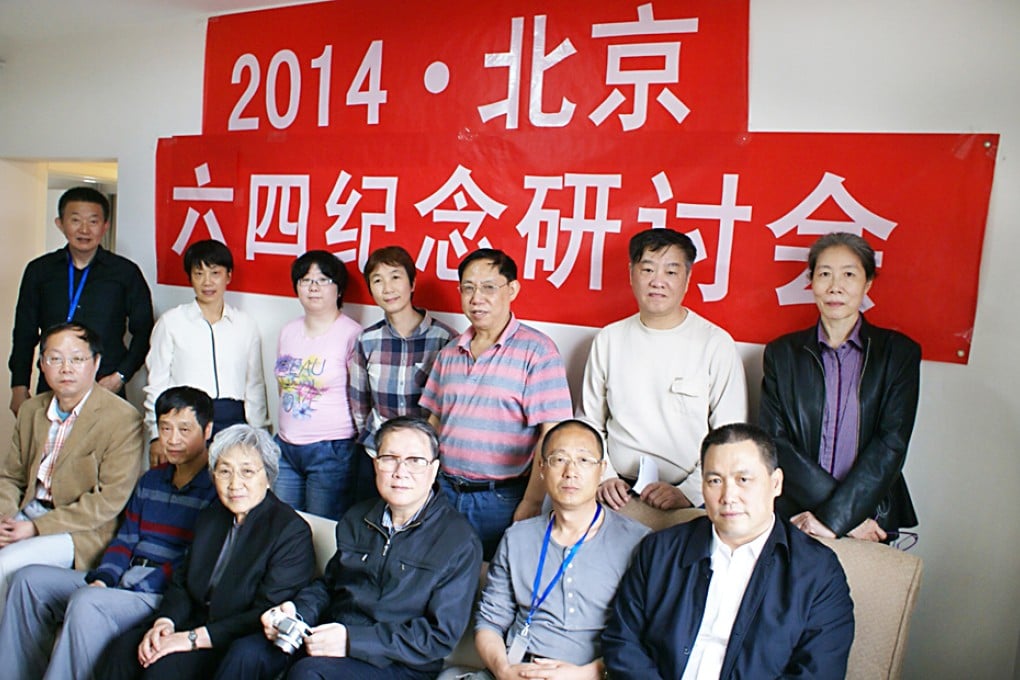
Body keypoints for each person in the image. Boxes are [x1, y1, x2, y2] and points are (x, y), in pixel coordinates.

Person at [216, 416, 483, 680]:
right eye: (389, 458)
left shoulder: (459, 541)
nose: (400, 471)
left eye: (415, 461)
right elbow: (329, 585)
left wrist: (352, 641)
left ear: (433, 469)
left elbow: (439, 637)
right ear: (376, 463)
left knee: (309, 673)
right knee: (247, 652)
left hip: (400, 663)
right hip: (332, 636)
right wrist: (296, 612)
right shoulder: (357, 517)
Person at [602, 423, 854, 679]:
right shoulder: (660, 550)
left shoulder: (818, 572)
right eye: (715, 480)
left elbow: (819, 672)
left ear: (776, 483)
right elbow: (622, 641)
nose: (728, 495)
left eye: (743, 479)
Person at [0, 386, 219, 680]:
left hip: (159, 591)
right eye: (165, 428)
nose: (173, 439)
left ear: (207, 431)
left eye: (184, 429)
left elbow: (193, 561)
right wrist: (105, 579)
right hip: (122, 577)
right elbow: (125, 538)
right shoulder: (151, 481)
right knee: (28, 580)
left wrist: (131, 586)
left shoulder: (217, 489)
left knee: (86, 603)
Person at [97, 424, 316, 679]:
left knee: (163, 670)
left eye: (247, 472)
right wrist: (165, 622)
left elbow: (266, 611)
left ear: (268, 477)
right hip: (192, 621)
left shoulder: (290, 531)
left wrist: (191, 639)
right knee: (123, 649)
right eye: (225, 471)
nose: (235, 484)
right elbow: (181, 582)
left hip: (234, 638)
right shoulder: (212, 516)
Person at [759, 232, 921, 541]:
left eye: (849, 274)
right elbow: (775, 441)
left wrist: (840, 517)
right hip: (798, 514)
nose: (836, 286)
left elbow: (892, 443)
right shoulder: (782, 354)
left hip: (870, 519)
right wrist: (841, 517)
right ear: (812, 282)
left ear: (868, 283)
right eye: (824, 274)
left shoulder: (898, 353)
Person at [580, 228, 747, 513]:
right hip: (617, 491)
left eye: (671, 272)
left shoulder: (715, 344)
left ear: (687, 279)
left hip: (687, 497)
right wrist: (604, 477)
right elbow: (589, 421)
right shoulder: (609, 339)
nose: (658, 282)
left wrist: (688, 492)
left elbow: (730, 435)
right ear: (632, 273)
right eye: (647, 269)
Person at [420, 248, 573, 558]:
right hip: (443, 491)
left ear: (512, 289)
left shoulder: (538, 351)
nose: (477, 298)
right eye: (468, 288)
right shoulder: (450, 352)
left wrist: (531, 503)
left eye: (489, 287)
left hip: (500, 500)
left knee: (489, 585)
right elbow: (433, 422)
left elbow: (552, 436)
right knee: (437, 576)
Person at [471, 420, 649, 680]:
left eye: (584, 460)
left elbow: (648, 633)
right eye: (559, 459)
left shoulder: (638, 542)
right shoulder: (517, 538)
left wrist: (588, 674)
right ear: (542, 469)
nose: (570, 472)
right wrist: (504, 671)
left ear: (602, 470)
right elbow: (489, 621)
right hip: (518, 669)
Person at [0, 322, 144, 618]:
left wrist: (35, 528)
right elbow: (11, 476)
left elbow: (107, 502)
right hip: (25, 513)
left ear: (96, 363)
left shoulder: (122, 419)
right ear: (42, 364)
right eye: (55, 358)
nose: (66, 368)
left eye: (77, 359)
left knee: (4, 567)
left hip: (79, 531)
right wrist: (5, 519)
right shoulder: (31, 410)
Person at [9, 186, 154, 416]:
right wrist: (19, 386)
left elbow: (145, 331)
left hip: (105, 386)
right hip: (52, 385)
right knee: (48, 450)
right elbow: (24, 332)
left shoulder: (125, 273)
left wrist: (120, 377)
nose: (84, 229)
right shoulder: (40, 271)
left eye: (93, 221)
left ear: (105, 225)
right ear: (60, 223)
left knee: (104, 451)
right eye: (75, 220)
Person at [144, 239, 269, 465]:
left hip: (233, 419)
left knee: (229, 490)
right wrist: (156, 433)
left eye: (215, 273)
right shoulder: (172, 322)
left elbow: (255, 384)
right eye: (199, 273)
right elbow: (157, 382)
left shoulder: (245, 324)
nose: (207, 282)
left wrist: (258, 433)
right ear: (190, 278)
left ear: (228, 276)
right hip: (185, 420)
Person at [348, 245, 456, 483]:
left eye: (395, 277)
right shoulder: (367, 340)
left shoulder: (444, 339)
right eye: (378, 280)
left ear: (412, 283)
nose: (387, 288)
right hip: (377, 455)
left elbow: (450, 406)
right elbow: (359, 402)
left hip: (423, 460)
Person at [273, 250, 362, 521]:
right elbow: (282, 385)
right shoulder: (288, 331)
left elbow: (359, 396)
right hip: (286, 446)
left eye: (323, 280)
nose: (313, 287)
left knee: (320, 528)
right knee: (282, 524)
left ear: (338, 289)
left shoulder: (351, 334)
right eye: (305, 280)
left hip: (330, 451)